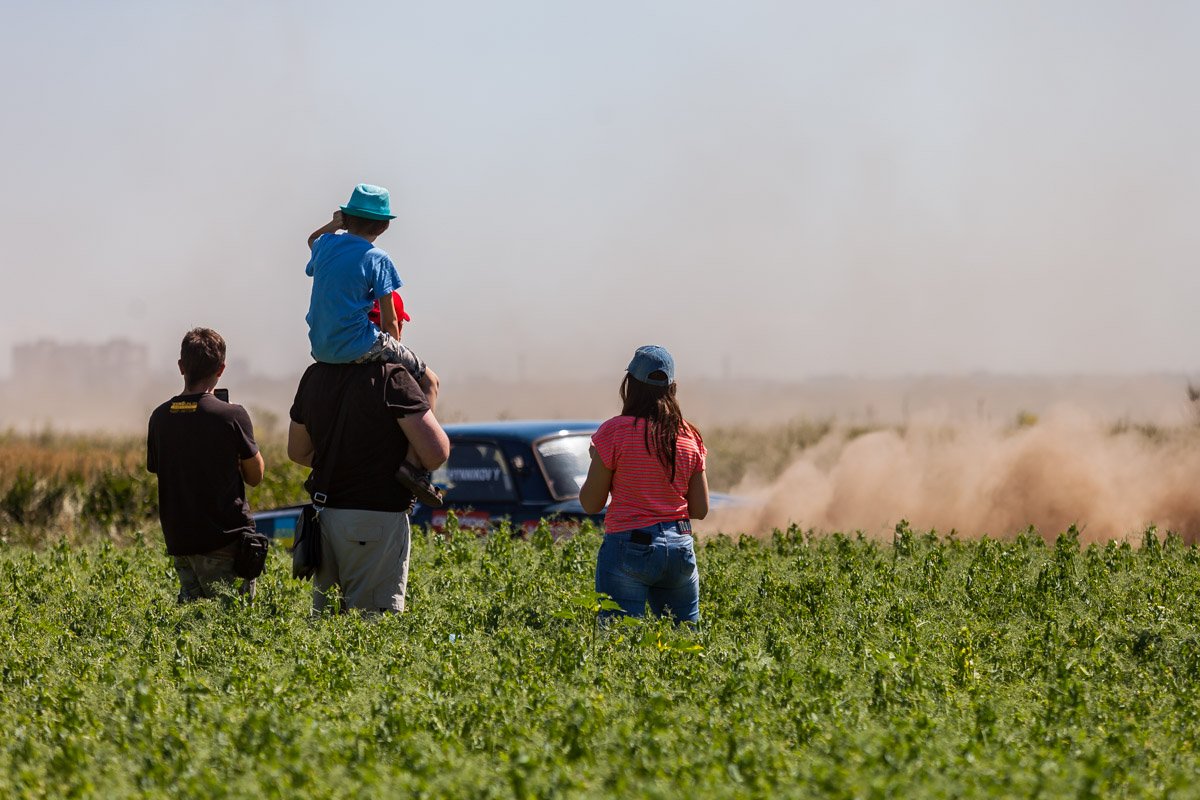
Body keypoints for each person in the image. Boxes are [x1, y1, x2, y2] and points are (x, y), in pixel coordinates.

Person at [304, 182, 442, 506]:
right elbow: (390, 321)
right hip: (360, 343)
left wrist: (332, 225)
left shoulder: (326, 244)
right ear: (383, 227)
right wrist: (394, 361)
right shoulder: (377, 258)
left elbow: (311, 240)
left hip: (320, 348)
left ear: (346, 218)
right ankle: (414, 465)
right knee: (429, 380)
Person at [287, 360, 450, 615]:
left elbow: (297, 451)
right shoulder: (392, 377)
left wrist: (343, 462)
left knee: (326, 629)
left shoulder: (315, 375)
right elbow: (435, 454)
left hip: (324, 519)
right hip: (375, 524)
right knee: (372, 627)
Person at [579, 345, 709, 623]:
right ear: (672, 388)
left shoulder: (614, 432)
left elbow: (590, 504)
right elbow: (700, 509)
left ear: (630, 385)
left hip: (629, 545)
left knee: (620, 638)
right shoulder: (690, 435)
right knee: (684, 640)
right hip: (680, 545)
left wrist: (599, 462)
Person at [147, 328, 265, 602]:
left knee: (193, 623)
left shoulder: (159, 417)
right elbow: (256, 476)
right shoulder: (232, 415)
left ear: (181, 366)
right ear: (221, 369)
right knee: (230, 623)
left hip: (181, 542)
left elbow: (158, 468)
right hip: (224, 541)